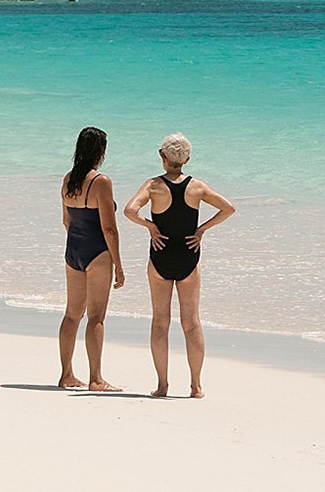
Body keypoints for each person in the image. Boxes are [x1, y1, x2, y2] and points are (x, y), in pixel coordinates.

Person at [124, 132, 236, 398]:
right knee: (192, 323)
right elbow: (228, 208)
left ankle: (162, 385)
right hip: (188, 258)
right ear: (187, 158)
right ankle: (196, 386)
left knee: (160, 322)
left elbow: (129, 210)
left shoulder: (153, 186)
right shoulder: (197, 187)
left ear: (162, 158)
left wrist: (150, 227)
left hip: (160, 257)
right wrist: (202, 230)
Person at [58, 126, 124, 391]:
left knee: (72, 314)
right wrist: (118, 264)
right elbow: (109, 228)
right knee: (96, 317)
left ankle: (66, 375)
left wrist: (78, 244)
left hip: (73, 250)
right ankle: (96, 379)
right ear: (101, 151)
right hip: (97, 253)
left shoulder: (67, 180)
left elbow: (66, 220)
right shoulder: (101, 182)